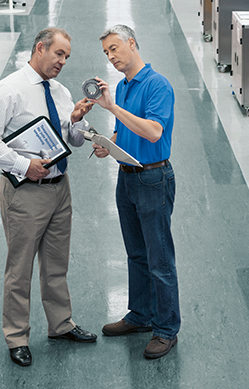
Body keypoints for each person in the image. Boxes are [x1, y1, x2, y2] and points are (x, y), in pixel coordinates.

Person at [0, 27, 97, 367]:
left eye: (67, 57)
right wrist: (22, 165)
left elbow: (72, 140)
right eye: (59, 54)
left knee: (56, 264)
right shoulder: (10, 90)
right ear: (40, 48)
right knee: (20, 267)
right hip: (26, 193)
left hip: (60, 189)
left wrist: (77, 123)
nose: (63, 62)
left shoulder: (59, 90)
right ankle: (17, 336)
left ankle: (61, 324)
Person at [91, 25, 180, 359]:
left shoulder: (158, 85)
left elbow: (154, 132)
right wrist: (106, 145)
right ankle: (141, 315)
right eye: (106, 53)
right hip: (126, 177)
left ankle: (166, 329)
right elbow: (123, 132)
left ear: (132, 43)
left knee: (160, 259)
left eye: (115, 48)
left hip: (153, 179)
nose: (112, 57)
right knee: (136, 254)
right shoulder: (124, 86)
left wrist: (112, 107)